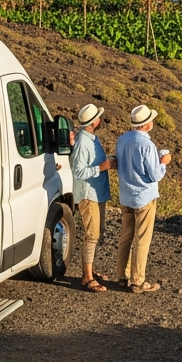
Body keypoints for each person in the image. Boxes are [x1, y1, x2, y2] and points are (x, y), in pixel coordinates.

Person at [115, 104, 170, 293]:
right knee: (142, 240)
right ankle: (137, 280)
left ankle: (122, 275)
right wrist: (163, 162)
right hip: (144, 196)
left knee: (126, 237)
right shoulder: (147, 145)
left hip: (126, 195)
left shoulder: (122, 139)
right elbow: (155, 175)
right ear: (146, 125)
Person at [69, 103, 114, 293]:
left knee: (96, 232)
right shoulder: (83, 142)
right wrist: (102, 167)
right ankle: (86, 276)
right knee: (92, 234)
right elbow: (78, 170)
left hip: (96, 192)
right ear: (95, 121)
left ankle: (89, 270)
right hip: (88, 193)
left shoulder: (90, 139)